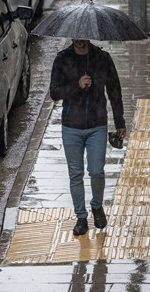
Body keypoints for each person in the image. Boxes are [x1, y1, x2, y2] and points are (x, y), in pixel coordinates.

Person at [49, 39, 126, 236]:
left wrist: (120, 122)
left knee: (97, 171)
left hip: (97, 124)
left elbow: (114, 90)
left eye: (83, 36)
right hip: (71, 126)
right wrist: (77, 85)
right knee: (75, 174)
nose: (80, 40)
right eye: (76, 36)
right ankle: (81, 217)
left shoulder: (102, 58)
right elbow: (54, 92)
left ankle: (97, 206)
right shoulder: (62, 59)